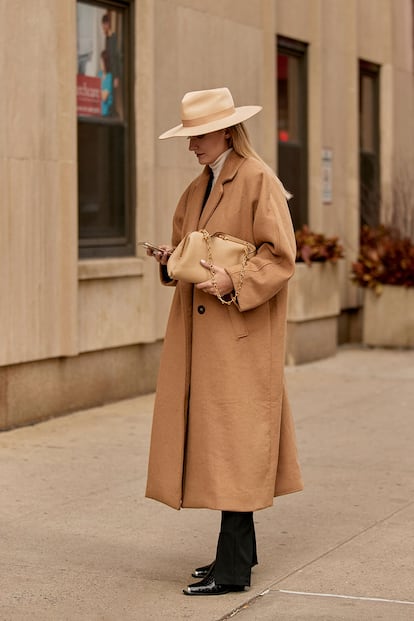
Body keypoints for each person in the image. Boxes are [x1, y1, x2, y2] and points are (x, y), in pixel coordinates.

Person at [145, 87, 303, 596]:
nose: (192, 145)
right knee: (220, 444)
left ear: (228, 131)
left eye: (200, 135)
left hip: (239, 337)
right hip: (202, 337)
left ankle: (233, 571)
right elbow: (190, 256)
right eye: (189, 136)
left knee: (234, 447)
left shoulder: (257, 179)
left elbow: (280, 256)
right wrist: (172, 260)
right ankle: (236, 557)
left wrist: (235, 282)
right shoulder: (198, 188)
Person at [98, 50, 113, 117]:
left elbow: (104, 97)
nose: (100, 64)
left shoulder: (109, 77)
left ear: (106, 62)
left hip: (105, 113)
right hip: (97, 110)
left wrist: (96, 90)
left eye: (101, 62)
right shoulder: (99, 74)